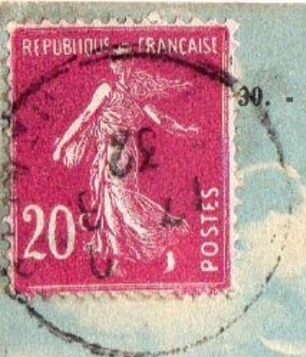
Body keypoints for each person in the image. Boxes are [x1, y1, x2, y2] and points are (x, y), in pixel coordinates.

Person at [52, 60, 197, 277]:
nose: (122, 67)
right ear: (115, 67)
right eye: (119, 62)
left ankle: (164, 241)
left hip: (117, 152)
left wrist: (183, 129)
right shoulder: (112, 91)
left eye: (125, 62)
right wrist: (63, 144)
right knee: (115, 201)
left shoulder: (126, 92)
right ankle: (119, 258)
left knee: (121, 201)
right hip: (120, 152)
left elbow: (160, 118)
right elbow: (85, 117)